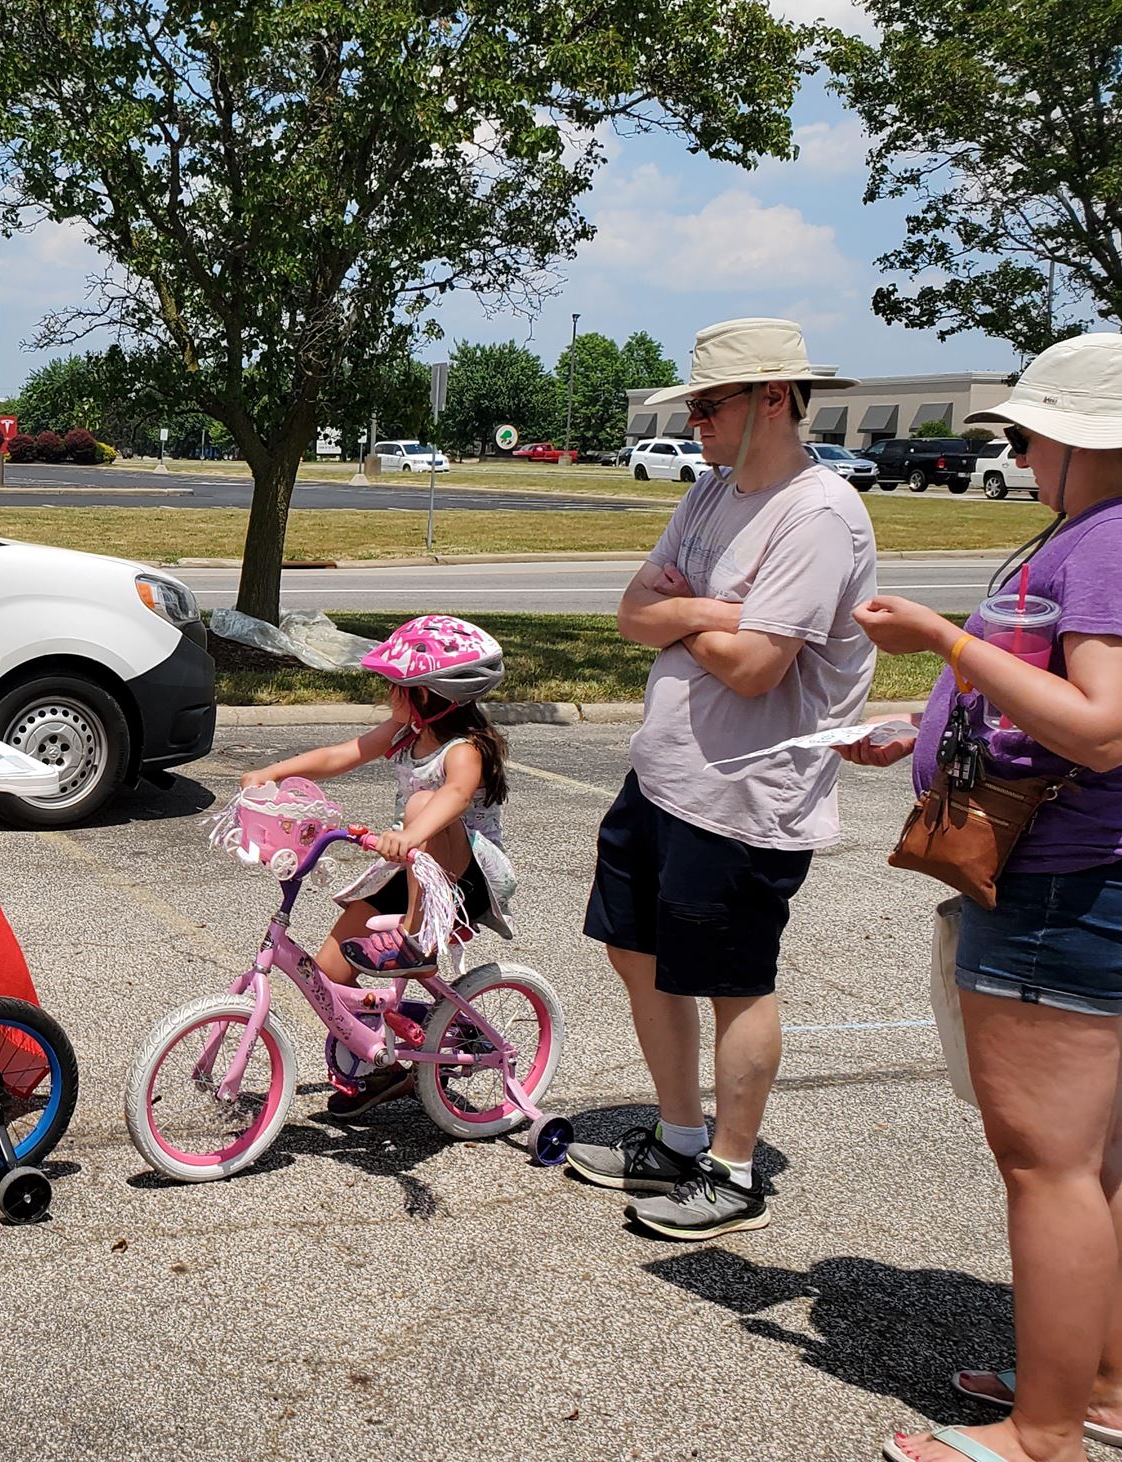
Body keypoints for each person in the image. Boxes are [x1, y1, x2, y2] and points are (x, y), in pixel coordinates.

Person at [847, 334, 1122, 1462]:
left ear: (1071, 436)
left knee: (1043, 1160)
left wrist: (940, 640)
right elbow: (1051, 698)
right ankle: (1095, 1389)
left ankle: (1042, 1431)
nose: (1015, 449)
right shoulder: (1117, 531)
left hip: (1069, 881)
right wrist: (925, 726)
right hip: (1089, 873)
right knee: (1090, 1147)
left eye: (1022, 433)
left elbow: (1102, 727)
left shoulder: (1113, 542)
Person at [571, 317, 878, 1241]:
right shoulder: (709, 493)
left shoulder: (818, 514)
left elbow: (757, 670)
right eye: (695, 406)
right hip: (662, 778)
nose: (695, 421)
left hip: (747, 795)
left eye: (709, 405)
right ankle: (675, 1135)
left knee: (732, 979)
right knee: (638, 954)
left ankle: (733, 1172)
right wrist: (711, 611)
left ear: (773, 399)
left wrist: (679, 613)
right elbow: (632, 613)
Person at [238, 614, 517, 1115]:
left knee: (418, 805)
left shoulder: (466, 751)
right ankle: (386, 1068)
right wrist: (274, 772)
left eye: (395, 687)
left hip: (462, 876)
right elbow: (344, 754)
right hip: (409, 866)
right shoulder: (405, 732)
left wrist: (410, 833)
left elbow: (452, 797)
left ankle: (415, 941)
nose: (388, 694)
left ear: (428, 695)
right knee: (328, 972)